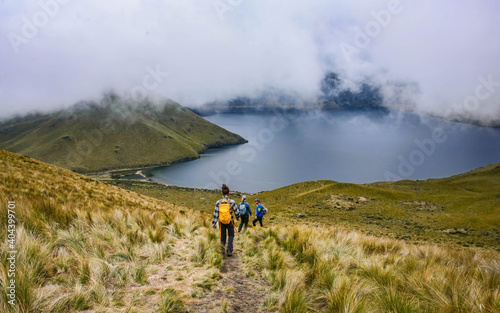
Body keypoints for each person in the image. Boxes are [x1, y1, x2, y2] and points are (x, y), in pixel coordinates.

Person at [211, 184, 237, 256]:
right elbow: (236, 211)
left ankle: (222, 250)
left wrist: (213, 224)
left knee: (223, 235)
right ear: (228, 193)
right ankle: (229, 250)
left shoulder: (218, 202)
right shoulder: (232, 202)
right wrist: (238, 217)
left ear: (222, 193)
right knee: (231, 235)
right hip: (230, 221)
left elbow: (216, 214)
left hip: (221, 221)